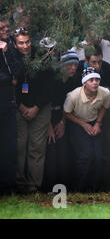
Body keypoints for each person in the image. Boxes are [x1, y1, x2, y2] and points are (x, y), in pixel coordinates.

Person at [73, 25, 110, 191]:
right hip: (83, 103)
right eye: (92, 29)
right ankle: (84, 184)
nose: (96, 34)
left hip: (109, 101)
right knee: (86, 145)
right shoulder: (75, 50)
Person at [14, 28, 54, 193]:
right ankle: (18, 183)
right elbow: (11, 86)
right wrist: (21, 107)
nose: (25, 46)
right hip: (18, 107)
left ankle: (33, 185)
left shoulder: (42, 57)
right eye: (21, 43)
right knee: (19, 145)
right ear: (15, 45)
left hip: (41, 107)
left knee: (37, 146)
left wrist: (36, 107)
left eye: (27, 42)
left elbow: (49, 85)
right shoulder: (11, 59)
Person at [63, 67, 110, 192]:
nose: (95, 82)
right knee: (85, 155)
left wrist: (98, 123)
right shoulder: (73, 96)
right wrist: (83, 124)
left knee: (99, 155)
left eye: (97, 79)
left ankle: (96, 188)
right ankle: (79, 188)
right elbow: (67, 113)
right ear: (84, 83)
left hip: (95, 120)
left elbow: (104, 107)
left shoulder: (105, 93)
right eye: (91, 80)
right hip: (77, 122)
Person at [42, 51, 80, 192]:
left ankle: (64, 187)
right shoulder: (52, 80)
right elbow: (45, 102)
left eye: (75, 65)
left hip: (63, 115)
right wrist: (49, 126)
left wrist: (62, 122)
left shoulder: (74, 81)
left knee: (64, 151)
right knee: (51, 150)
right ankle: (49, 187)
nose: (73, 68)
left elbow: (69, 104)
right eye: (69, 65)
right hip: (46, 115)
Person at [0, 15, 21, 195]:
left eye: (7, 27)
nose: (6, 30)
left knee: (10, 147)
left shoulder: (11, 48)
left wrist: (6, 53)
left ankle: (9, 187)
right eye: (2, 28)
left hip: (8, 105)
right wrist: (9, 80)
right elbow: (9, 77)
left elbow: (18, 71)